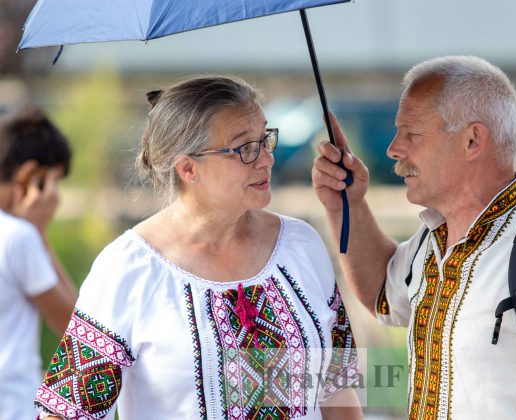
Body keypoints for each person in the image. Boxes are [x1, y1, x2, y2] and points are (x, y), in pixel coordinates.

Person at [312, 55, 516, 418]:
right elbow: (382, 293)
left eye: (411, 133)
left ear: (472, 140)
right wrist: (345, 205)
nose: (393, 149)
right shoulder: (431, 241)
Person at [35, 75, 362, 420]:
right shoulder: (129, 269)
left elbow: (335, 388)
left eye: (265, 139)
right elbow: (66, 412)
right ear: (188, 167)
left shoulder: (301, 246)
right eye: (244, 148)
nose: (266, 159)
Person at [0, 108, 77, 420]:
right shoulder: (18, 238)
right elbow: (75, 327)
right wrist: (40, 234)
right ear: (31, 176)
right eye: (53, 181)